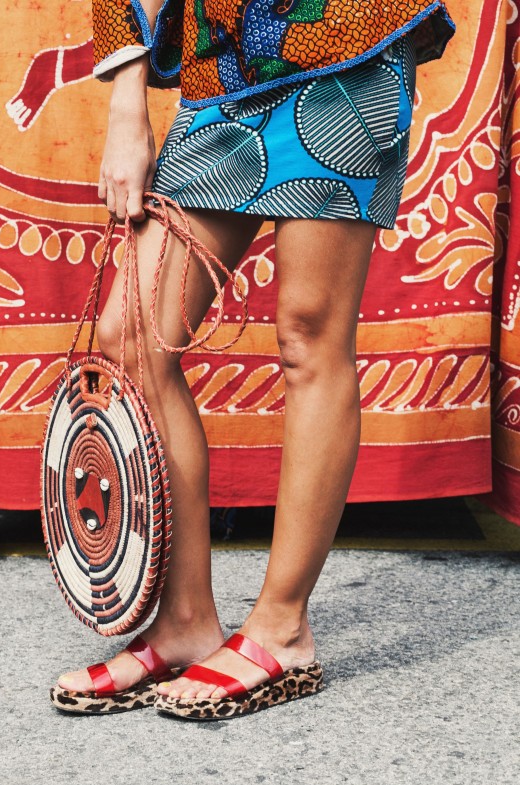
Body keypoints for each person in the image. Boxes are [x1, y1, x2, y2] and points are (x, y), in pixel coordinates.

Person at [52, 0, 455, 719]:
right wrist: (126, 99)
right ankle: (184, 620)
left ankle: (282, 628)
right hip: (222, 64)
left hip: (349, 48)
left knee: (308, 335)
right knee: (131, 335)